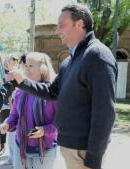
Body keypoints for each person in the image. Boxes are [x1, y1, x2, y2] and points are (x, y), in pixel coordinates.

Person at [10, 3, 117, 169]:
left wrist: (93, 159)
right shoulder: (69, 61)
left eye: (62, 25)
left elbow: (105, 113)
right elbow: (52, 92)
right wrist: (23, 82)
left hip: (83, 152)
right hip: (71, 149)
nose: (57, 31)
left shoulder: (97, 56)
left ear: (80, 24)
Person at [1, 52, 58, 169]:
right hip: (20, 148)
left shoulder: (52, 92)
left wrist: (45, 130)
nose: (26, 68)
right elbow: (14, 115)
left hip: (45, 151)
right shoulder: (20, 91)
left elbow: (62, 121)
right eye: (25, 65)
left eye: (31, 66)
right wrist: (7, 124)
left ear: (42, 69)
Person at [0, 53, 19, 157]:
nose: (14, 61)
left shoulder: (18, 74)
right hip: (5, 104)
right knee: (3, 126)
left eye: (15, 59)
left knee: (14, 128)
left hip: (16, 104)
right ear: (7, 60)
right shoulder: (2, 73)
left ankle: (14, 151)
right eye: (12, 59)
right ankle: (2, 147)